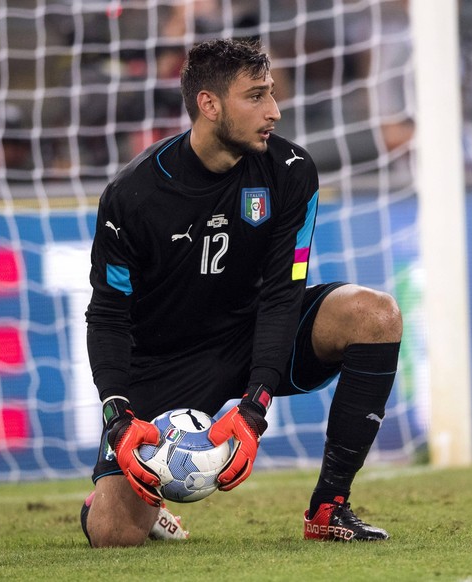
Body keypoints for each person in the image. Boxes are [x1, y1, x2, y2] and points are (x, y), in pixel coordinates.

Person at [80, 38, 402, 548]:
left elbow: (282, 294)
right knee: (113, 536)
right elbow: (108, 315)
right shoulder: (133, 196)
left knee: (375, 314)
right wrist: (117, 415)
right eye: (255, 97)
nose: (273, 111)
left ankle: (328, 507)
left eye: (271, 93)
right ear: (209, 105)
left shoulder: (291, 171)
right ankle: (117, 497)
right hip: (167, 360)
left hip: (253, 333)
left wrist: (255, 407)